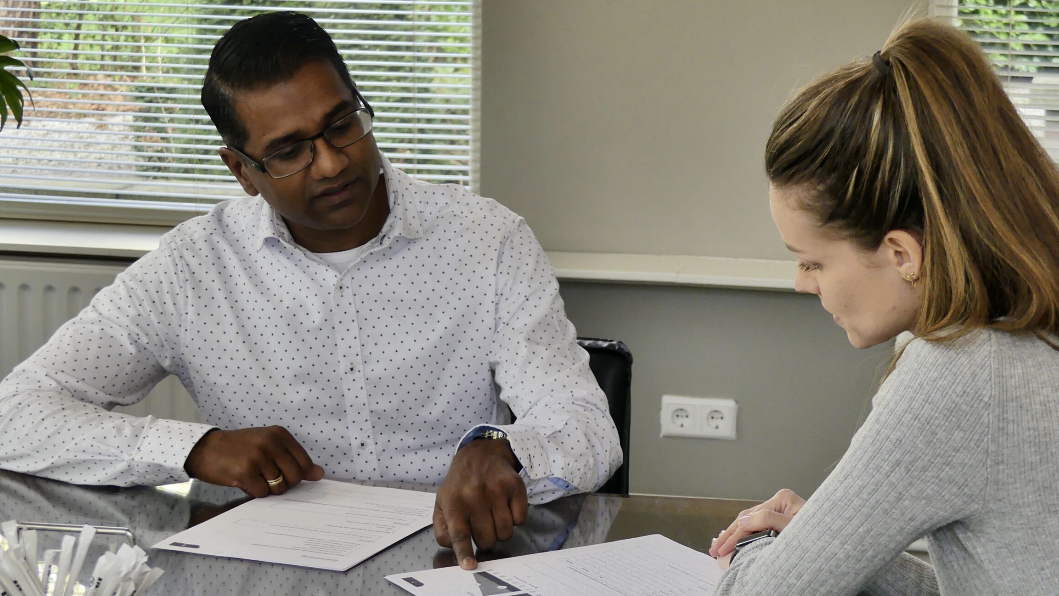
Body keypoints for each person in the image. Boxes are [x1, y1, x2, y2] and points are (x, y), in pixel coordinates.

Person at [0, 12, 621, 570]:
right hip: (270, 577)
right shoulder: (191, 269)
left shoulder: (487, 240)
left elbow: (588, 428)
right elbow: (15, 414)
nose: (331, 163)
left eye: (341, 124)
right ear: (242, 171)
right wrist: (194, 448)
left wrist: (503, 448)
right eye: (289, 151)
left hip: (452, 566)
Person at [706, 17, 1059, 595]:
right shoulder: (1025, 336)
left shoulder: (961, 370)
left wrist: (759, 550)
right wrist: (829, 542)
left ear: (901, 254)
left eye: (813, 262)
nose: (801, 283)